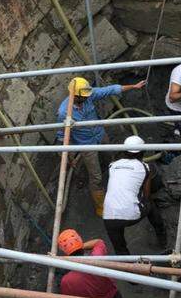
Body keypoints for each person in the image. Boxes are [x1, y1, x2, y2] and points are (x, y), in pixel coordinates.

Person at [57, 76, 147, 215]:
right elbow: (63, 137)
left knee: (109, 158)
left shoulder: (88, 95)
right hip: (87, 146)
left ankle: (112, 176)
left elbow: (109, 90)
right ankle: (101, 206)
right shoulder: (64, 112)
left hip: (100, 135)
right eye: (84, 97)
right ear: (75, 96)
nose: (88, 98)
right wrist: (69, 157)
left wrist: (133, 86)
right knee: (96, 177)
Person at [103, 135, 168, 255]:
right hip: (131, 214)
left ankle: (128, 268)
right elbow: (147, 195)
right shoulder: (144, 167)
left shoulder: (112, 165)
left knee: (120, 248)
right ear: (142, 152)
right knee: (150, 205)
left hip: (108, 216)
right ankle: (162, 238)